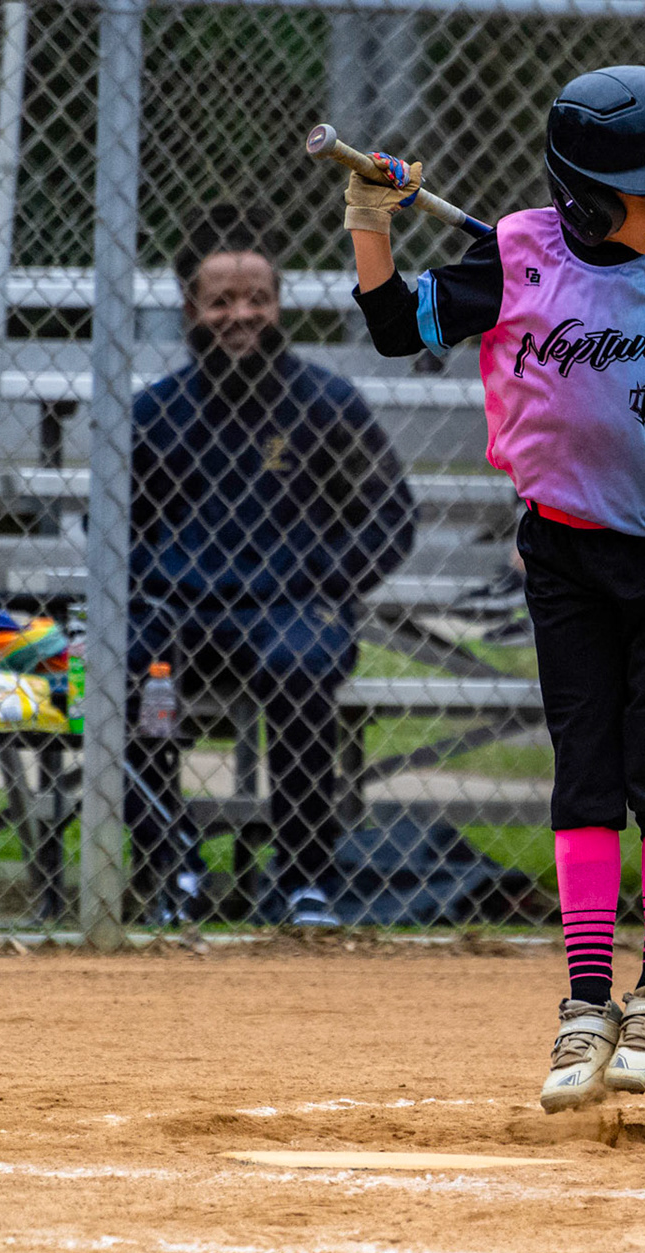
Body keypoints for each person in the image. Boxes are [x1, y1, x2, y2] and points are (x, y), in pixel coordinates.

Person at [346, 66, 645, 1110]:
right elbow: (394, 325)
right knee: (586, 772)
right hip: (563, 553)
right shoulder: (515, 254)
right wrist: (370, 222)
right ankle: (584, 1005)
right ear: (580, 191)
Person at [128, 206, 415, 928]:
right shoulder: (154, 413)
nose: (241, 315)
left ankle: (303, 880)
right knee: (130, 663)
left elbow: (391, 516)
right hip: (179, 611)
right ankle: (174, 867)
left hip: (290, 609)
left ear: (279, 303)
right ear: (191, 309)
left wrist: (325, 578)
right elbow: (118, 532)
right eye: (221, 301)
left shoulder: (326, 404)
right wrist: (151, 581)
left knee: (299, 665)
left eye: (257, 298)